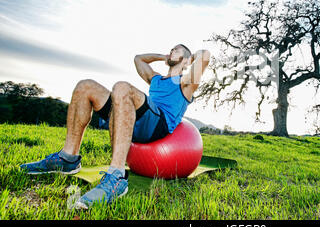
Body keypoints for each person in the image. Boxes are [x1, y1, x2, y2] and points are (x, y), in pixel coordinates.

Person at [20, 44, 211, 209]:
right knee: (85, 86)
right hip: (138, 120)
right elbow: (138, 59)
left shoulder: (186, 83)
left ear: (187, 61)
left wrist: (188, 59)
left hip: (157, 126)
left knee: (122, 87)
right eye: (172, 48)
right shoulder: (155, 79)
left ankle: (116, 176)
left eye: (177, 49)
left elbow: (205, 55)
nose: (172, 50)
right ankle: (67, 158)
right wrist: (165, 57)